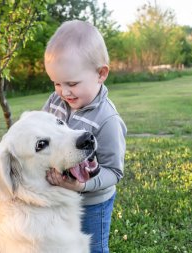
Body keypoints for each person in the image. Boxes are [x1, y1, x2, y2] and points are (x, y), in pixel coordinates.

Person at [42, 20, 127, 253]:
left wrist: (82, 185)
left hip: (92, 203)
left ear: (101, 74)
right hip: (59, 197)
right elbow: (42, 134)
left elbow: (114, 171)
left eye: (72, 83)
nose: (64, 92)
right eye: (56, 83)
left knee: (91, 248)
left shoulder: (107, 120)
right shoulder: (55, 102)